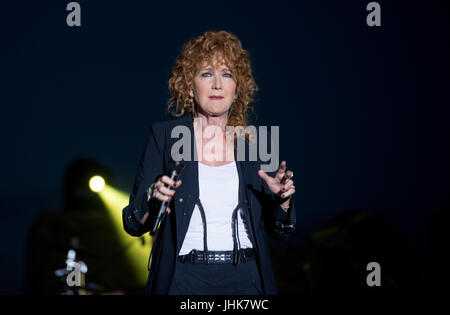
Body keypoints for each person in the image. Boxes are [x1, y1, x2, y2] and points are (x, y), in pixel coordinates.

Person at [122, 30, 296, 295]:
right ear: (189, 87)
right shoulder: (166, 135)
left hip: (247, 279)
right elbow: (133, 224)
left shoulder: (258, 142)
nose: (217, 84)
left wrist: (283, 200)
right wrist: (152, 195)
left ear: (238, 88)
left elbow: (280, 233)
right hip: (184, 279)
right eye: (206, 74)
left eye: (227, 74)